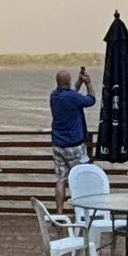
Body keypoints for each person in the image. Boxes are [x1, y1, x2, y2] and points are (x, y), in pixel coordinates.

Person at [48, 67, 95, 196]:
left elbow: (70, 93)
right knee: (80, 178)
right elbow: (91, 100)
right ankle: (81, 211)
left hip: (58, 145)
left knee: (61, 179)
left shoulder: (54, 96)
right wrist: (88, 83)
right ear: (68, 82)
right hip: (74, 144)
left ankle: (59, 212)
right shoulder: (73, 97)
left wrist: (79, 83)